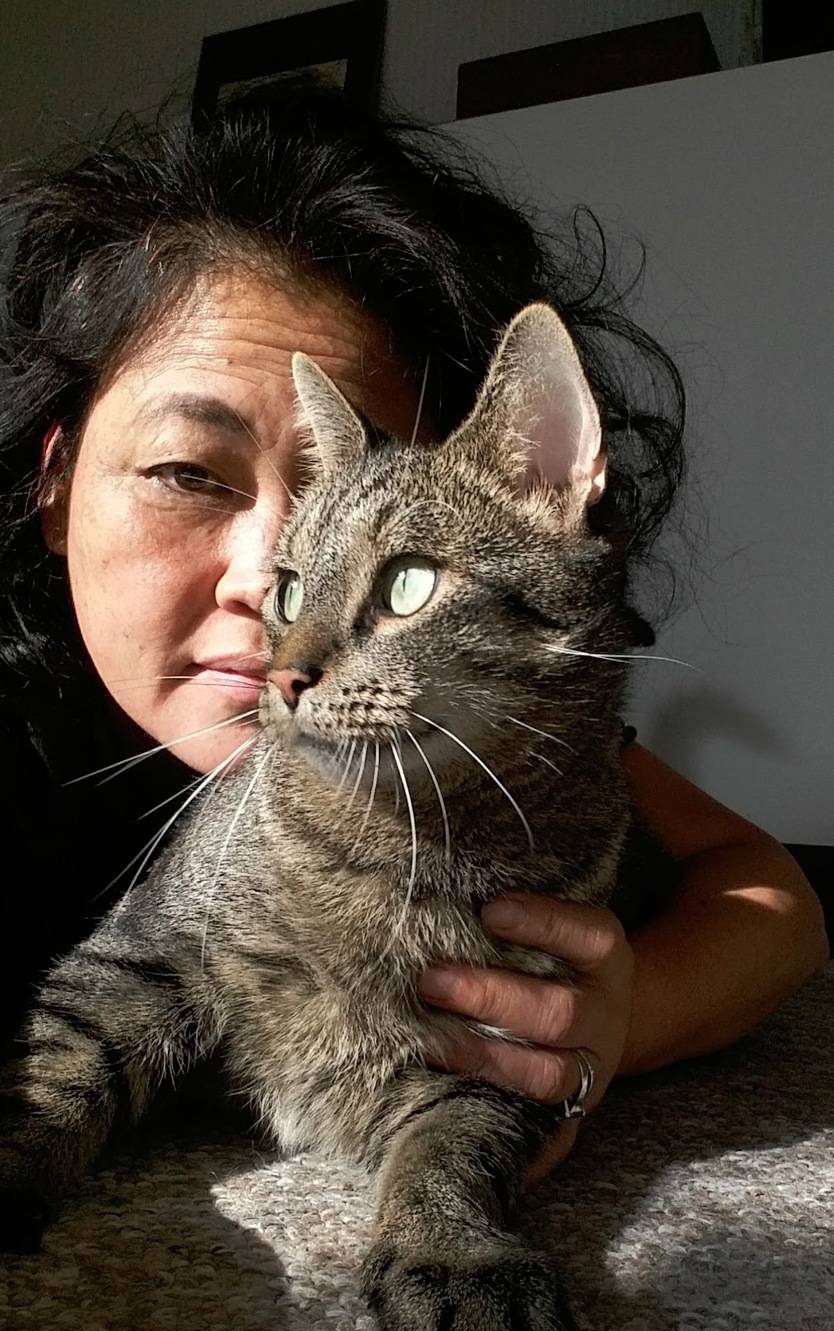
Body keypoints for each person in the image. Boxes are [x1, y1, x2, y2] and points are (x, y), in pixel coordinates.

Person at [0, 80, 827, 1185]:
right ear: (54, 482)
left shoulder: (474, 742)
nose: (270, 585)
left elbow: (773, 902)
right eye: (188, 472)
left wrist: (608, 1025)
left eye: (343, 505)